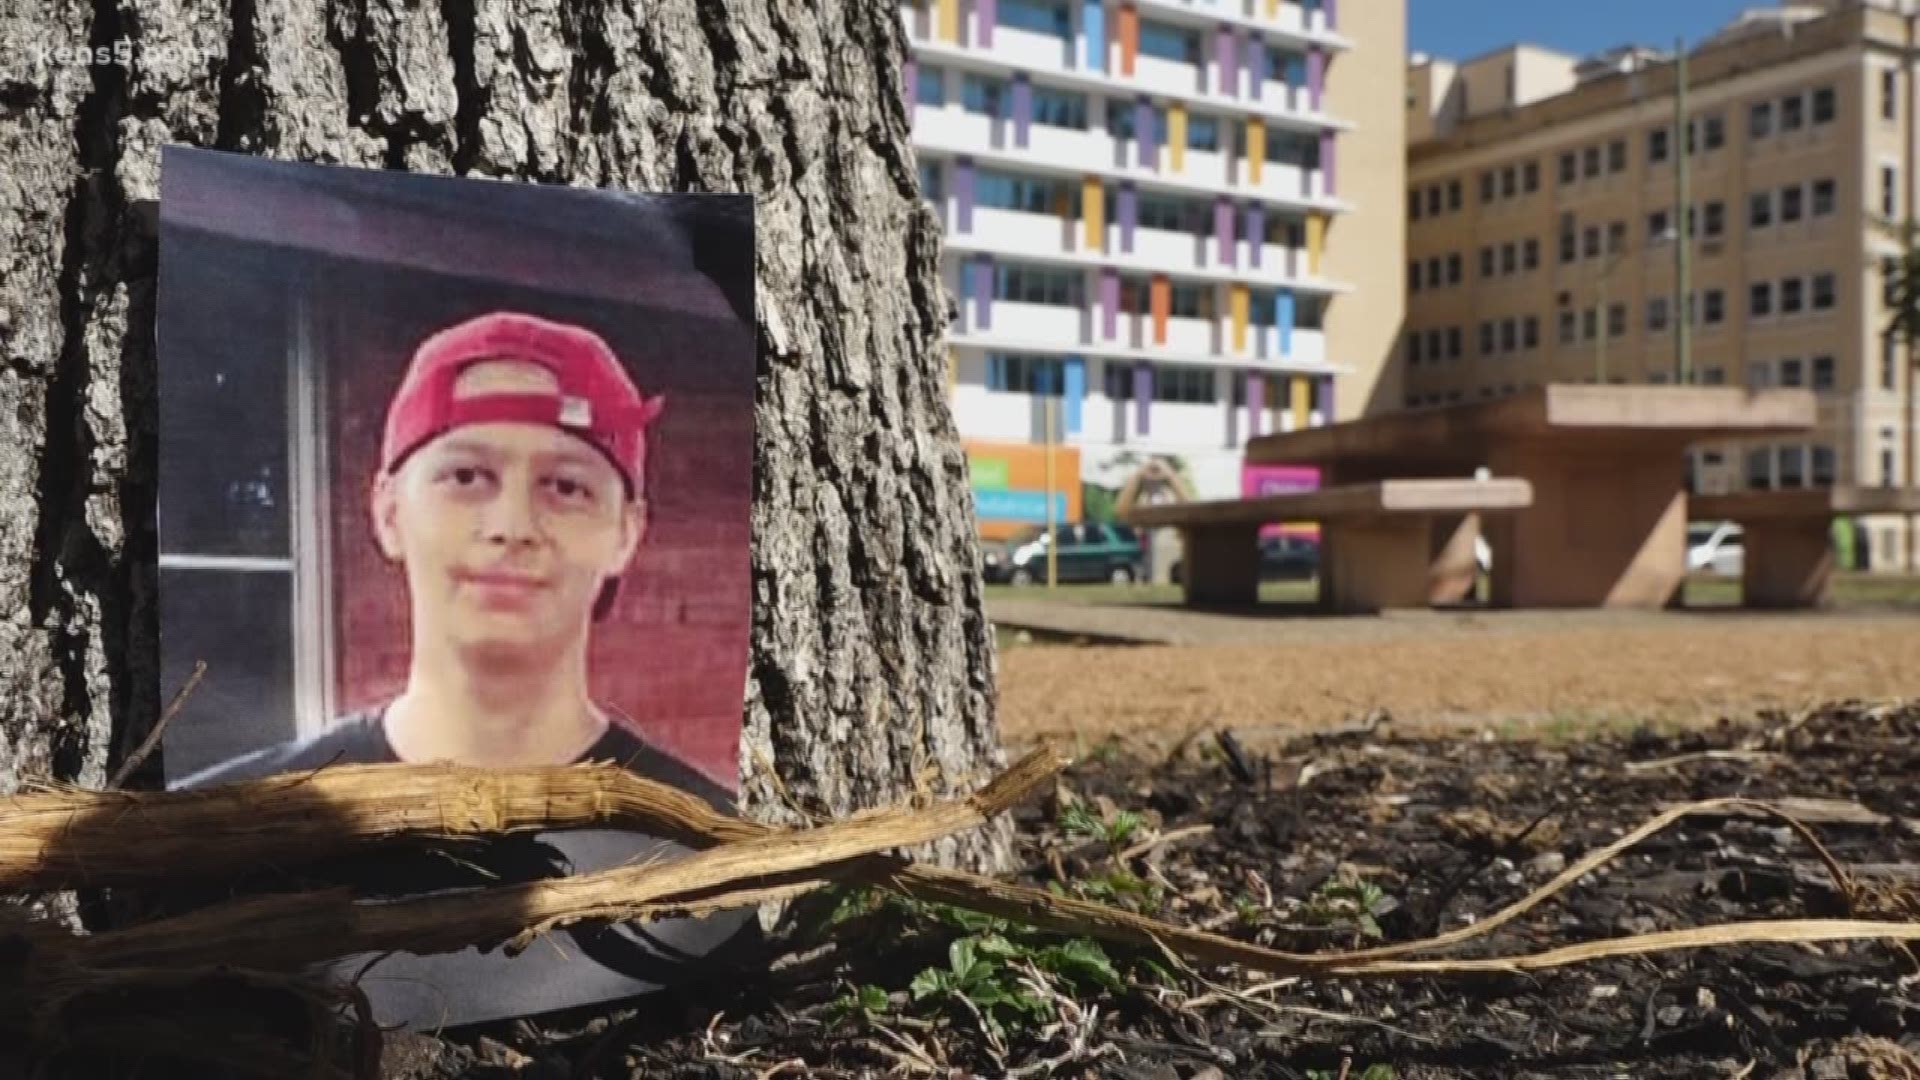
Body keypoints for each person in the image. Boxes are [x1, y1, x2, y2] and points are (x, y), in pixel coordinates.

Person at [175, 310, 749, 1029]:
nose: (510, 524)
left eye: (565, 486)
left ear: (626, 532)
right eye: (466, 475)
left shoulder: (705, 845)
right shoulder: (231, 828)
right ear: (387, 509)